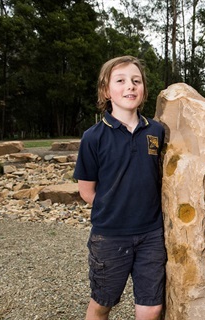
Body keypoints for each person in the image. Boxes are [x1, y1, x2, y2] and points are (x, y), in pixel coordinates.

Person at [74, 56, 166, 320]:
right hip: (110, 237)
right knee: (103, 303)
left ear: (144, 90)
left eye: (136, 81)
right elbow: (86, 191)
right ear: (106, 90)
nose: (130, 86)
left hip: (151, 234)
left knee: (152, 307)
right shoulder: (93, 137)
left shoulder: (157, 131)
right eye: (121, 81)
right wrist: (116, 208)